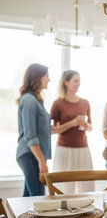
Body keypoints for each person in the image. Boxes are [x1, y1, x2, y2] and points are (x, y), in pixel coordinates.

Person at [50, 70, 94, 193]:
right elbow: (52, 130)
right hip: (64, 151)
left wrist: (86, 125)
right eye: (75, 81)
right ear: (66, 82)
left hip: (83, 149)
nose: (78, 83)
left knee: (86, 188)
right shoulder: (57, 103)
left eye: (79, 81)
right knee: (64, 189)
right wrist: (72, 123)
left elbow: (91, 128)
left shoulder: (85, 103)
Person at [16, 63, 52, 197]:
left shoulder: (36, 101)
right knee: (38, 198)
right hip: (30, 155)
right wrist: (41, 161)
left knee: (28, 198)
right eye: (47, 76)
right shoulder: (29, 101)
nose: (49, 79)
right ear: (37, 77)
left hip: (35, 155)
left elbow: (46, 130)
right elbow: (30, 136)